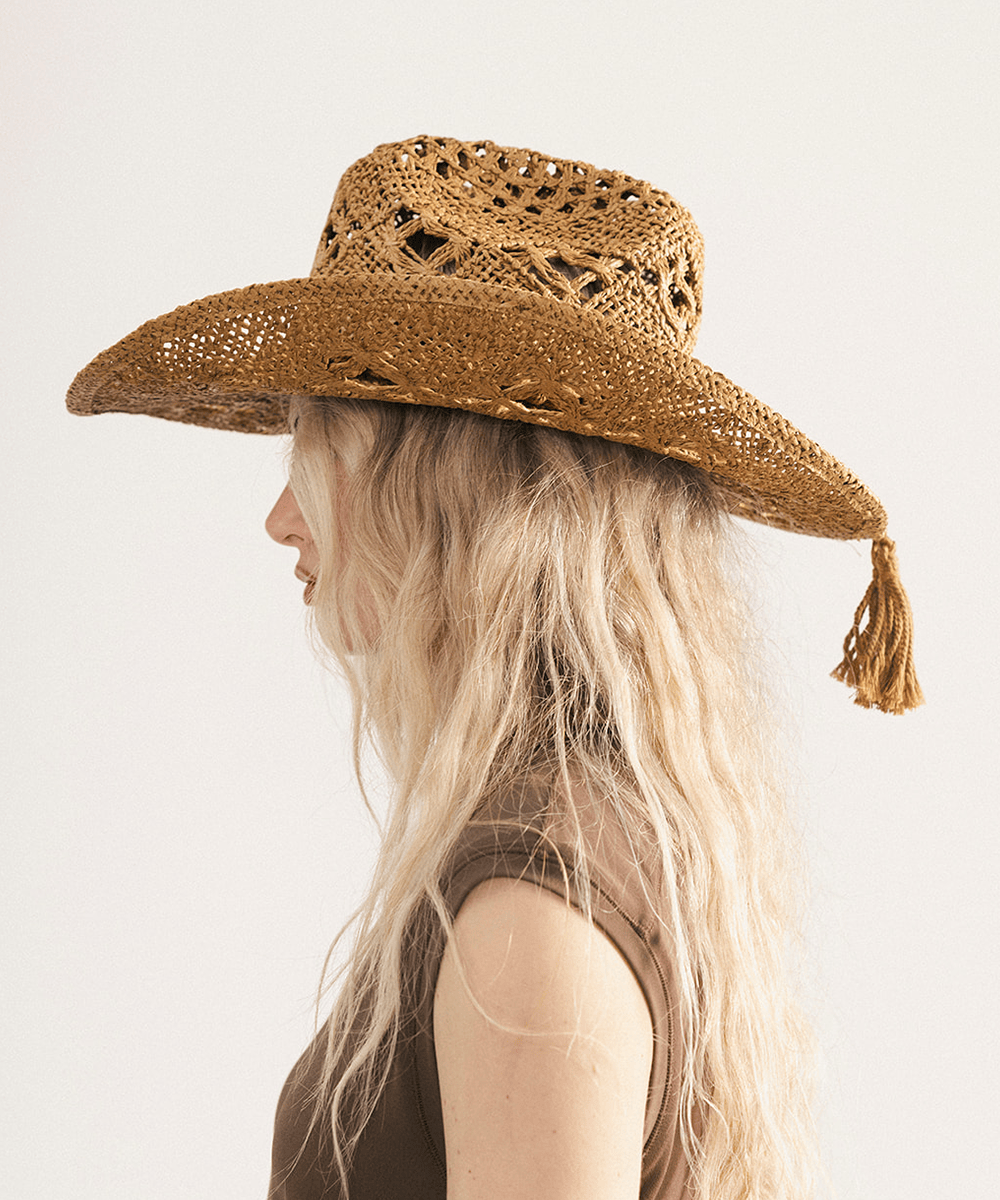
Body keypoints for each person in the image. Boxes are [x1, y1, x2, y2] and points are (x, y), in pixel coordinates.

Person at [66, 134, 922, 1200]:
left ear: (445, 495)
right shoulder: (583, 835)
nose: (283, 519)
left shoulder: (533, 894)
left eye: (319, 452)